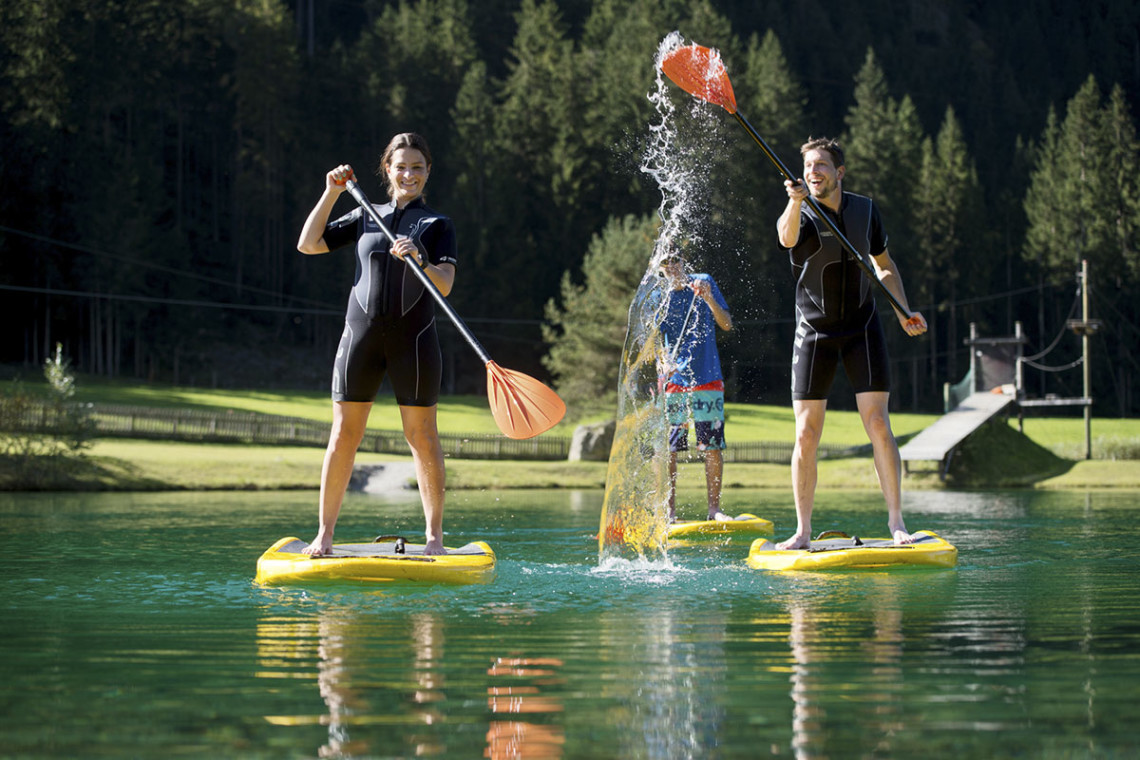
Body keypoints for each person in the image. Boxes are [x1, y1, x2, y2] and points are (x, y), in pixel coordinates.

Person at [296, 133, 457, 556]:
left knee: (422, 438)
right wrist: (331, 193)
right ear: (387, 169)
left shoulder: (438, 225)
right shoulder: (366, 214)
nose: (409, 175)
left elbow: (444, 286)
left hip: (415, 343)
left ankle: (434, 539)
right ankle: (324, 536)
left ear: (427, 173)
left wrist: (421, 257)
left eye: (417, 168)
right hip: (360, 340)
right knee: (343, 436)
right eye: (401, 166)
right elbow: (308, 244)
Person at [774, 137, 927, 549]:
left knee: (878, 423)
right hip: (815, 331)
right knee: (806, 432)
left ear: (839, 172)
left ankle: (897, 522)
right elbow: (786, 239)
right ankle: (803, 531)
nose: (813, 173)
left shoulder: (866, 210)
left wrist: (902, 310)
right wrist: (794, 201)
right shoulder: (802, 212)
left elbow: (884, 265)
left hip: (862, 326)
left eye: (821, 165)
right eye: (808, 167)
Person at [657, 245, 734, 523]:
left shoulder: (703, 282)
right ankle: (669, 511)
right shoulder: (658, 296)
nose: (672, 266)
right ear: (660, 267)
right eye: (666, 262)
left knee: (711, 445)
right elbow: (653, 341)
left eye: (676, 260)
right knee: (672, 447)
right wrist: (661, 360)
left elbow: (726, 324)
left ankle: (714, 510)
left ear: (684, 261)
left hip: (707, 377)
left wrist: (709, 297)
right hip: (675, 382)